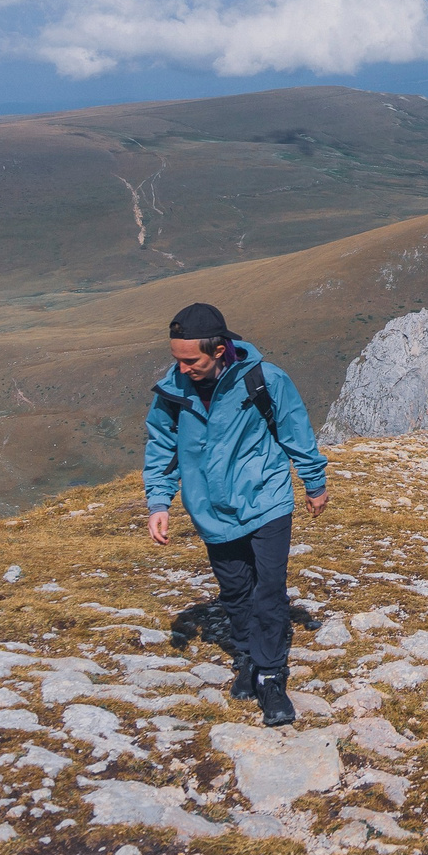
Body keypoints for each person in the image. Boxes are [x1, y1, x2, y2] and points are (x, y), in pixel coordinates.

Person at [144, 302, 328, 729]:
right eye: (177, 359)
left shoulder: (264, 379)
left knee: (269, 590)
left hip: (267, 499)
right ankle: (246, 653)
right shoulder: (173, 391)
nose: (183, 367)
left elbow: (295, 430)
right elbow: (161, 449)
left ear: (220, 350)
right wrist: (159, 502)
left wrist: (314, 484)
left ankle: (270, 675)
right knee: (235, 590)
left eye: (191, 360)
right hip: (210, 509)